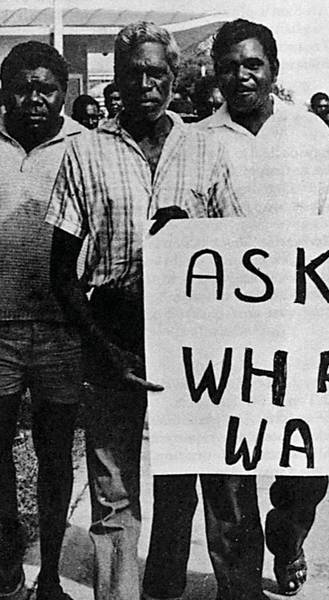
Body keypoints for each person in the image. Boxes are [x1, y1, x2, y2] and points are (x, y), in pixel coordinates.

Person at [142, 18, 329, 600]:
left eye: (253, 63)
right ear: (215, 73)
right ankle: (239, 589)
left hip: (301, 330)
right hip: (223, 340)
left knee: (308, 468)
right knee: (228, 479)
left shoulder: (309, 134)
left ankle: (288, 533)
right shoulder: (194, 140)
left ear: (274, 70)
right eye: (229, 65)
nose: (241, 75)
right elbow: (168, 235)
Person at [46, 21, 240, 600]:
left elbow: (238, 250)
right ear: (117, 79)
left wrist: (193, 235)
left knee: (189, 476)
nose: (147, 85)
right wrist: (102, 345)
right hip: (113, 330)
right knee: (113, 489)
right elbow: (62, 269)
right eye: (135, 74)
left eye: (158, 73)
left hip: (190, 332)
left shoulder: (207, 148)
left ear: (175, 79)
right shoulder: (85, 151)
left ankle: (166, 583)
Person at [0, 41, 84, 600]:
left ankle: (50, 573)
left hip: (61, 330)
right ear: (5, 91)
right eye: (23, 87)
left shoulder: (86, 146)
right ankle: (8, 564)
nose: (34, 99)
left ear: (63, 93)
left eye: (46, 89)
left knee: (55, 457)